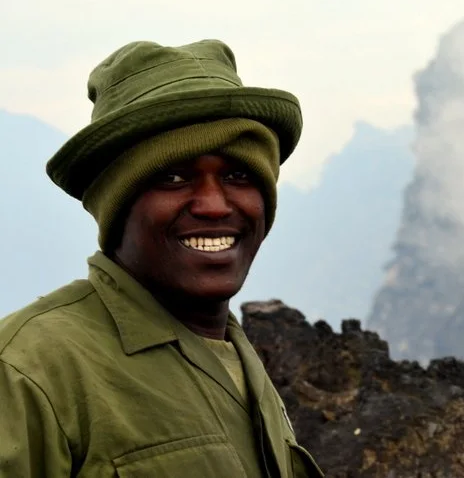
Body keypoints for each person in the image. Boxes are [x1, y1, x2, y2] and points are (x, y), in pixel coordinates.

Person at [0, 40, 324, 477]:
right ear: (117, 206)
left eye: (237, 175)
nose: (213, 204)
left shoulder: (236, 355)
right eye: (173, 177)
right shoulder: (31, 369)